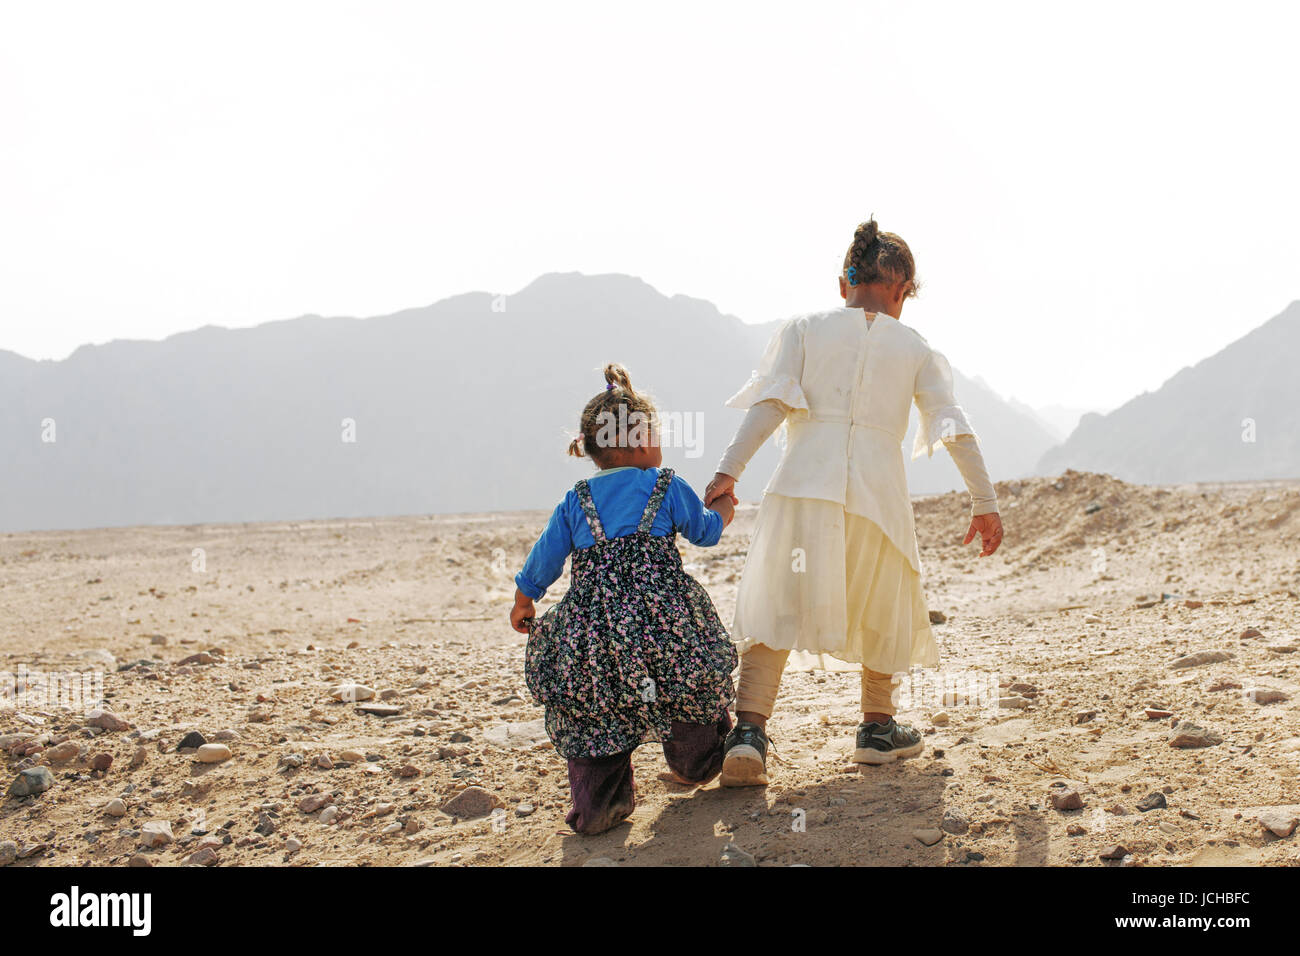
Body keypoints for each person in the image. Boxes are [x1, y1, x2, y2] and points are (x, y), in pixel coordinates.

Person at [704, 218, 1004, 786]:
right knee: (883, 602)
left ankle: (748, 734)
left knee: (778, 601)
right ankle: (877, 728)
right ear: (902, 290)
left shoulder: (805, 329)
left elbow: (770, 404)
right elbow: (952, 427)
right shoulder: (915, 347)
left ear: (844, 284)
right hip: (877, 496)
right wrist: (983, 502)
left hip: (801, 489)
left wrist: (728, 470)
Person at [511, 363, 740, 834]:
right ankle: (695, 763)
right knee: (685, 686)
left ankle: (600, 804)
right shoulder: (666, 485)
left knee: (595, 708)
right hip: (665, 624)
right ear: (635, 441)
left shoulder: (576, 500)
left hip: (596, 633)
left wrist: (524, 600)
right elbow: (705, 533)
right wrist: (723, 507)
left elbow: (545, 559)